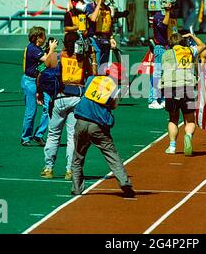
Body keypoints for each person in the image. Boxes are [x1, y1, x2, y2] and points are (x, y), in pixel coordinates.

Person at [71, 62, 135, 198]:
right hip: (98, 126)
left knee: (78, 156)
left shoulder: (91, 80)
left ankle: (76, 188)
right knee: (112, 155)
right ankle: (124, 182)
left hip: (81, 121)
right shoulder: (116, 89)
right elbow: (113, 106)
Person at [39, 31, 97, 180]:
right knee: (72, 136)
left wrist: (39, 93)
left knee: (53, 134)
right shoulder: (82, 58)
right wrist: (94, 58)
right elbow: (92, 76)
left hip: (59, 98)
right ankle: (70, 170)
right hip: (77, 98)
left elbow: (41, 72)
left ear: (64, 43)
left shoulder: (55, 57)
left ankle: (48, 168)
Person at [160, 33, 206, 156]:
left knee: (173, 119)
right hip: (188, 87)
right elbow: (203, 45)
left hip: (171, 88)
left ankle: (172, 146)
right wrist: (192, 35)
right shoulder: (190, 51)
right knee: (190, 119)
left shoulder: (166, 54)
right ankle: (188, 135)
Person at [20, 26, 58, 146]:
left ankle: (38, 134)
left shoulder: (36, 49)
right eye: (43, 36)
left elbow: (41, 67)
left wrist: (48, 50)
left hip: (39, 80)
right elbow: (47, 60)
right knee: (31, 111)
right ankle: (25, 137)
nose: (45, 38)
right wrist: (51, 50)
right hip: (30, 82)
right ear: (38, 38)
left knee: (48, 107)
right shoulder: (32, 49)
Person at [148, 0, 177, 110]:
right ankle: (153, 99)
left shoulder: (171, 15)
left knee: (167, 75)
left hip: (169, 48)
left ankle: (162, 98)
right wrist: (168, 11)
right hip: (160, 48)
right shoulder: (158, 16)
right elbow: (162, 27)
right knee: (157, 74)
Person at [85, 0, 117, 69]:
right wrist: (99, 3)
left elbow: (109, 25)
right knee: (96, 63)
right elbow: (93, 18)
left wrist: (111, 38)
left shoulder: (108, 9)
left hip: (105, 40)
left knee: (104, 66)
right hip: (94, 39)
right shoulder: (90, 6)